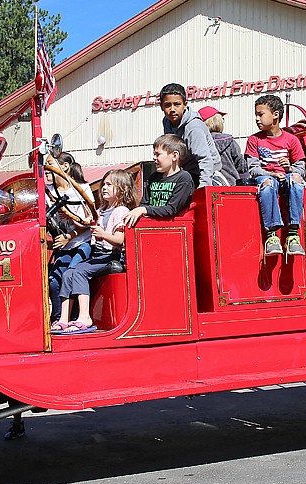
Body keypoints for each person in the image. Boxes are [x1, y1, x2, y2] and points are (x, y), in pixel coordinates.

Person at [54, 169, 138, 334]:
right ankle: (64, 318)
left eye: (109, 185)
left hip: (110, 255)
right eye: (104, 184)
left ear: (122, 189)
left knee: (79, 272)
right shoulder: (100, 211)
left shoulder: (121, 211)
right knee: (68, 273)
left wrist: (103, 235)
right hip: (97, 254)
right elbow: (85, 222)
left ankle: (84, 316)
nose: (104, 188)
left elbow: (120, 241)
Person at [244, 94, 306, 257]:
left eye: (261, 114)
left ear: (276, 115)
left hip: (286, 178)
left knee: (296, 180)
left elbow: (301, 169)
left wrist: (289, 169)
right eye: (256, 115)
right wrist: (271, 173)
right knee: (267, 183)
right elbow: (253, 169)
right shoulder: (254, 140)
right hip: (267, 178)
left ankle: (293, 234)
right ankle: (272, 237)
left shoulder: (292, 140)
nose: (257, 119)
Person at [46, 152, 94, 322]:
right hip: (63, 244)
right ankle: (58, 318)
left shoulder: (82, 189)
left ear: (64, 166)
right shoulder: (48, 192)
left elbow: (90, 220)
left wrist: (70, 235)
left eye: (49, 164)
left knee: (71, 274)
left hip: (82, 242)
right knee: (53, 280)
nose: (45, 170)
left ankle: (75, 318)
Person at [159, 83, 229, 187]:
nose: (172, 109)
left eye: (177, 104)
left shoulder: (193, 128)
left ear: (185, 104)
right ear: (161, 106)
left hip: (204, 174)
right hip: (184, 172)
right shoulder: (167, 121)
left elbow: (205, 159)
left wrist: (203, 188)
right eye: (168, 105)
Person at [123, 134, 196, 227]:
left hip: (174, 228)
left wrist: (145, 210)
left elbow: (172, 209)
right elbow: (144, 204)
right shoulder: (153, 177)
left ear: (174, 156)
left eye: (158, 154)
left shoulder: (184, 178)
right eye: (154, 154)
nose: (154, 158)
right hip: (152, 226)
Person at [199, 105, 247, 185]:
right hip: (230, 185)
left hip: (206, 186)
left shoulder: (198, 143)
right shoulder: (229, 140)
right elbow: (241, 166)